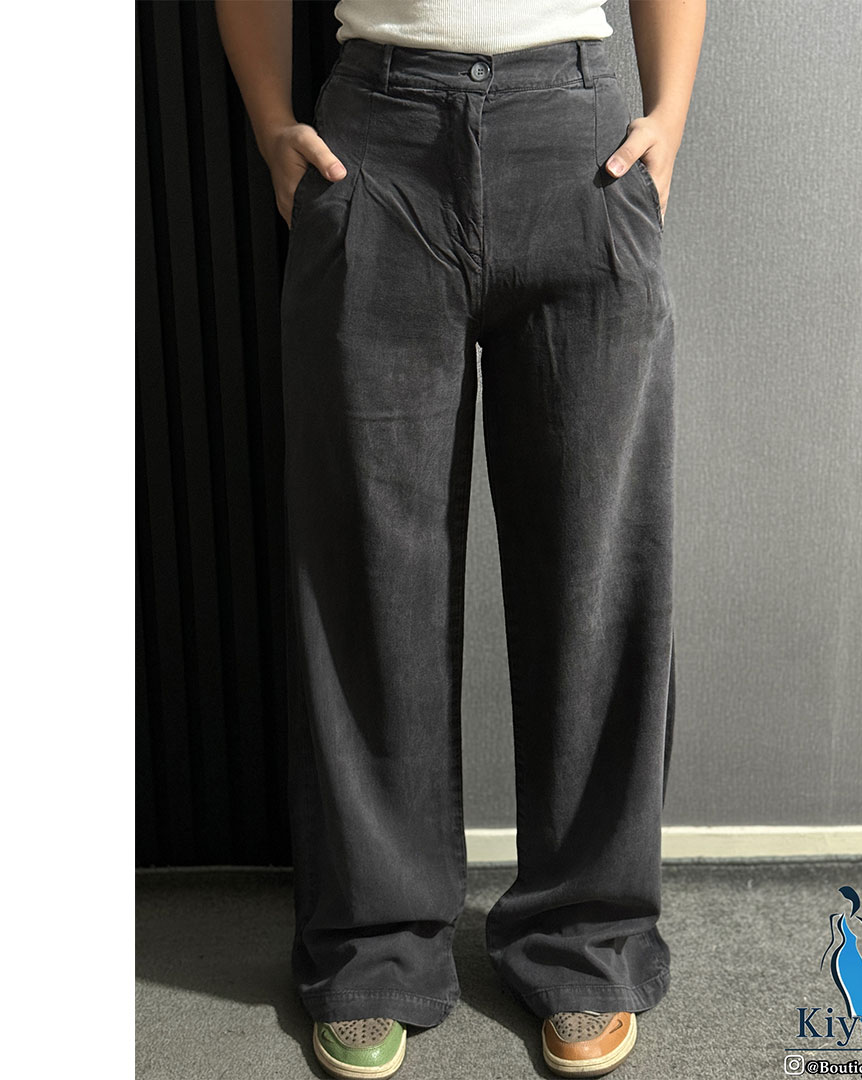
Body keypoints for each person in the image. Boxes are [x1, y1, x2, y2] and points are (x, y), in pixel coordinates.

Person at [215, 1, 704, 1075]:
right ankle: (373, 943)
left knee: (597, 572)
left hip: (578, 140)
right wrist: (269, 123)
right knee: (365, 575)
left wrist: (669, 112)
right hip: (374, 139)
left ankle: (587, 937)